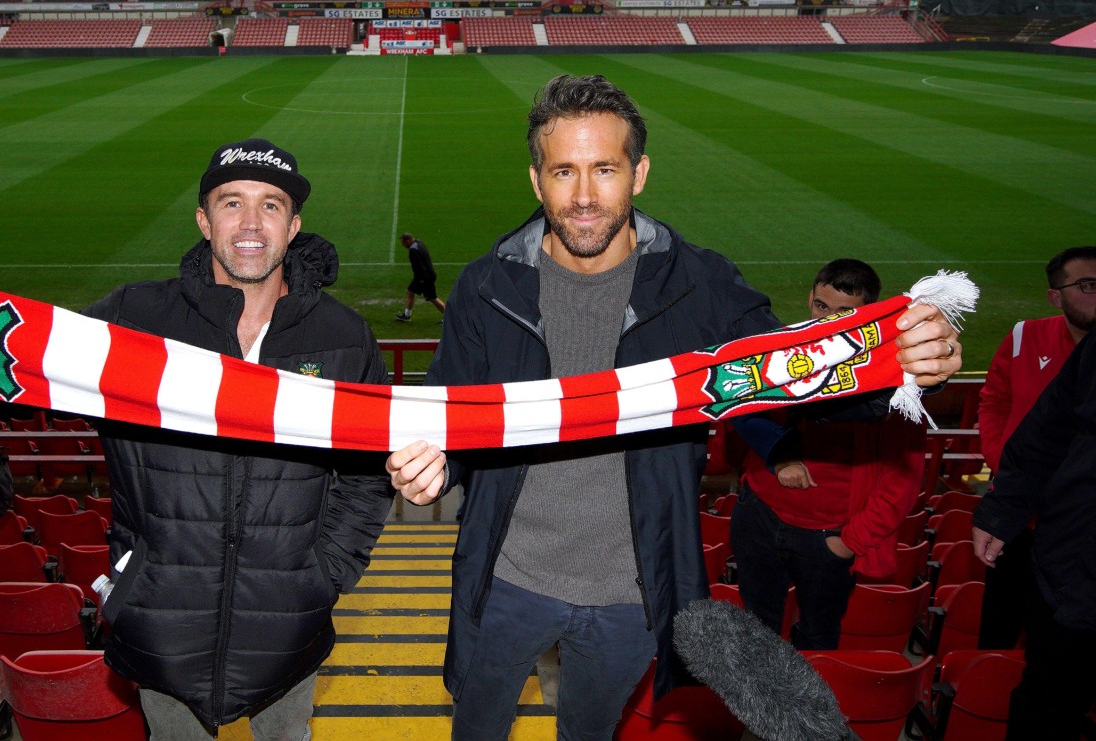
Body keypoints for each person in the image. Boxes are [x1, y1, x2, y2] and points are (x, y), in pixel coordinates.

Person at [385, 74, 964, 740]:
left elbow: (795, 382)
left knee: (588, 732)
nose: (582, 196)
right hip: (505, 577)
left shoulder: (702, 285)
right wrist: (438, 465)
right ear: (535, 181)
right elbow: (450, 409)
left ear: (640, 173)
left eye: (605, 168)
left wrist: (899, 370)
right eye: (563, 171)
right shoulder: (488, 286)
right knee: (477, 729)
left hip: (632, 593)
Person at [0, 138, 395, 740]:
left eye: (271, 204)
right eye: (232, 202)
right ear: (204, 221)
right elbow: (3, 368)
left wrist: (325, 574)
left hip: (289, 621)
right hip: (160, 623)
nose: (251, 221)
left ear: (294, 225)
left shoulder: (342, 337)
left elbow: (367, 475)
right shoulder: (133, 321)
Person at [729, 259, 926, 650]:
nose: (829, 321)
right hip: (760, 516)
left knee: (817, 641)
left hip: (829, 538)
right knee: (756, 633)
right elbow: (739, 408)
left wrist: (848, 542)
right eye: (822, 307)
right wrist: (778, 457)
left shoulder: (894, 377)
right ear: (810, 299)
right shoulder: (781, 346)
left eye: (844, 313)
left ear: (867, 313)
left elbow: (903, 477)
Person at [972, 330, 1096, 741]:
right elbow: (1051, 427)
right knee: (1049, 701)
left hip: (1072, 561)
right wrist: (1003, 507)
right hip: (1076, 569)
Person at [976, 245, 1095, 648]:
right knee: (1000, 624)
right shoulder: (1025, 336)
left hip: (1077, 526)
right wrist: (1004, 467)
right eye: (1086, 285)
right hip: (1018, 516)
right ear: (1055, 296)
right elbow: (993, 401)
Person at [396, 232, 446, 322]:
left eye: (403, 243)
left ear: (408, 241)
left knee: (432, 298)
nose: (403, 245)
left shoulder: (413, 250)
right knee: (410, 292)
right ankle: (407, 315)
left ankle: (449, 316)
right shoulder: (419, 243)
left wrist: (421, 280)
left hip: (424, 277)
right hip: (426, 275)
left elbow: (418, 266)